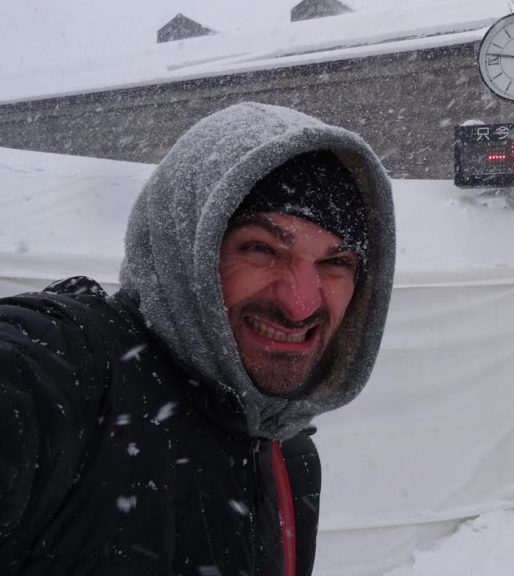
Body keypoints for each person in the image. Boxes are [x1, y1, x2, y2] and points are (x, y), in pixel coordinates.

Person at [0, 102, 395, 575]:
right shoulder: (66, 372)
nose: (301, 304)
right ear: (185, 248)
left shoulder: (287, 460)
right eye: (262, 248)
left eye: (336, 263)